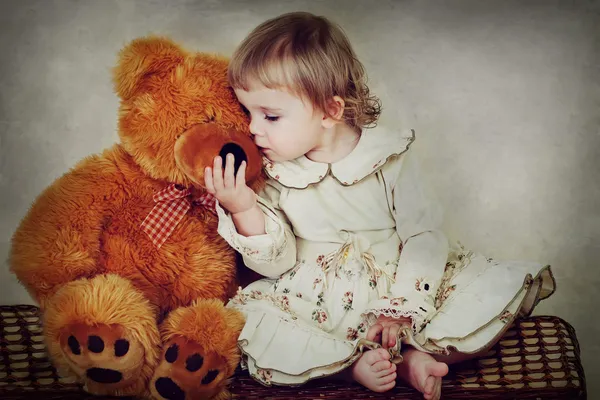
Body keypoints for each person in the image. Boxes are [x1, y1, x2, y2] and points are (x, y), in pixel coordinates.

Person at [204, 11, 555, 400]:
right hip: (315, 298)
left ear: (330, 111)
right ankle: (349, 365)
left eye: (270, 115)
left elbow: (423, 234)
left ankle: (412, 356)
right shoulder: (274, 172)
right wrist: (242, 207)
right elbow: (277, 263)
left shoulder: (388, 157)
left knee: (469, 303)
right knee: (253, 320)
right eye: (248, 112)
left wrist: (402, 305)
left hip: (395, 283)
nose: (253, 128)